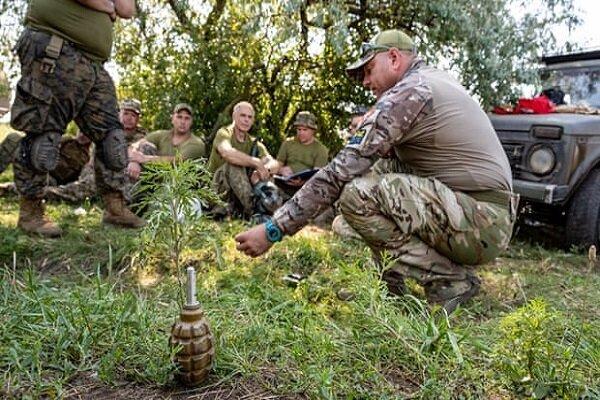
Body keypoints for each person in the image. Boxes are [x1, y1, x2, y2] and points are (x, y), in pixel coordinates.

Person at [235, 29, 518, 314]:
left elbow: (342, 171)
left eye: (369, 70)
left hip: (481, 220)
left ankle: (451, 281)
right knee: (362, 189)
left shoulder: (410, 92)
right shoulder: (430, 81)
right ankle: (389, 286)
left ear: (394, 58)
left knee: (356, 195)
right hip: (478, 215)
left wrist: (274, 229)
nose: (367, 82)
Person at [9, 0, 142, 237]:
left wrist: (110, 6)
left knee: (113, 139)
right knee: (43, 136)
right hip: (55, 47)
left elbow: (127, 9)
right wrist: (105, 6)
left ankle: (115, 208)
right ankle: (31, 213)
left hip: (93, 64)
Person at [44, 98, 150, 202]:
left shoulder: (142, 137)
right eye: (126, 113)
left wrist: (134, 160)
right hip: (97, 174)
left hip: (124, 175)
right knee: (83, 187)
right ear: (119, 114)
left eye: (133, 115)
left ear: (138, 119)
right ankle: (46, 192)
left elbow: (142, 148)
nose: (129, 118)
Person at [207, 101, 279, 218]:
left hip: (238, 195)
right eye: (242, 115)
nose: (246, 120)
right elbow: (227, 153)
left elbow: (274, 163)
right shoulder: (224, 133)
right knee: (233, 164)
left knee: (266, 169)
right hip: (215, 193)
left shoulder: (254, 143)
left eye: (250, 117)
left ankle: (267, 207)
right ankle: (255, 212)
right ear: (234, 116)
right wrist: (255, 162)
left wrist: (264, 170)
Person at [0, 130, 92, 196]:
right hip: (38, 165)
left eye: (86, 133)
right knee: (13, 138)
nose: (82, 135)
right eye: (81, 131)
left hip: (51, 179)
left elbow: (80, 182)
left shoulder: (89, 158)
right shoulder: (67, 140)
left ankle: (6, 188)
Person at [129, 103, 206, 166]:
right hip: (156, 179)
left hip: (180, 182)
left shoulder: (197, 143)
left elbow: (178, 161)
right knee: (145, 146)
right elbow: (136, 145)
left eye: (187, 118)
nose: (183, 122)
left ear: (191, 122)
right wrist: (134, 162)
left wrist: (144, 159)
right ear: (172, 119)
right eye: (179, 117)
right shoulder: (161, 134)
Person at [275, 111, 328, 195]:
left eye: (305, 130)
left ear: (313, 130)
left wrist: (301, 183)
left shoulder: (321, 150)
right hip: (283, 184)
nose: (301, 133)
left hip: (306, 190)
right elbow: (277, 165)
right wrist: (281, 170)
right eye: (299, 129)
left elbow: (317, 178)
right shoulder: (288, 143)